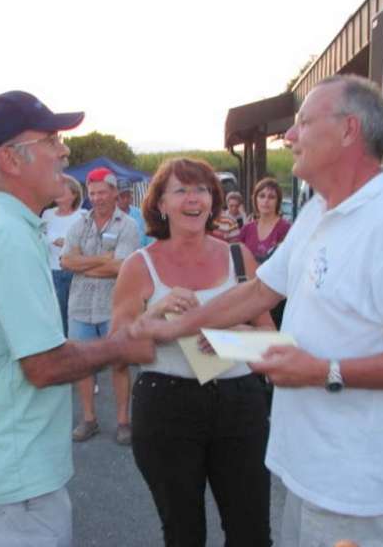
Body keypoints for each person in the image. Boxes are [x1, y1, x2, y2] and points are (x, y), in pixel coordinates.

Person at [133, 75, 383, 547]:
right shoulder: (319, 211)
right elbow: (259, 292)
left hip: (351, 481)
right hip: (307, 465)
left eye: (303, 123)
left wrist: (322, 370)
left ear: (349, 130)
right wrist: (182, 326)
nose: (289, 136)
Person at [0, 90, 154, 547]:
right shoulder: (8, 235)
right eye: (52, 139)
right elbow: (44, 365)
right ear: (11, 159)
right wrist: (123, 345)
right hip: (13, 480)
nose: (63, 150)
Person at [112, 157, 275, 546]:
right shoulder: (139, 266)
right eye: (180, 190)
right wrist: (154, 315)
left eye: (201, 189)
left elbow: (270, 338)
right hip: (167, 404)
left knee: (251, 532)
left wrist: (231, 331)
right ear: (160, 204)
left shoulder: (240, 258)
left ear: (213, 200)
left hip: (241, 405)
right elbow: (117, 352)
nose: (193, 198)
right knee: (183, 534)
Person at [61, 166, 141, 445]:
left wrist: (83, 264)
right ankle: (89, 419)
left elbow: (121, 266)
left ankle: (123, 421)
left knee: (119, 365)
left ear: (114, 192)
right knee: (83, 366)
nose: (96, 198)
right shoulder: (79, 225)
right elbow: (65, 261)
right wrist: (102, 260)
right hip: (80, 307)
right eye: (92, 193)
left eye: (102, 192)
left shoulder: (128, 225)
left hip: (113, 307)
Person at [240, 177, 292, 328]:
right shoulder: (246, 229)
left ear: (278, 201)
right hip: (248, 295)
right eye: (261, 196)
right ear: (255, 199)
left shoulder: (286, 229)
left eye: (271, 197)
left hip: (275, 299)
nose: (266, 201)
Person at [42, 174, 85, 336]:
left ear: (74, 194)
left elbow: (83, 243)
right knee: (57, 315)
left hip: (76, 272)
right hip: (53, 271)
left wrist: (63, 242)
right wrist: (60, 240)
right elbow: (41, 237)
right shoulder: (47, 214)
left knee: (76, 315)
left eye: (63, 189)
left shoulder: (83, 215)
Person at [117, 177, 154, 247]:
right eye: (122, 196)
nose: (125, 199)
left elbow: (149, 239)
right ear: (115, 197)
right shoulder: (110, 215)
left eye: (128, 196)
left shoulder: (141, 214)